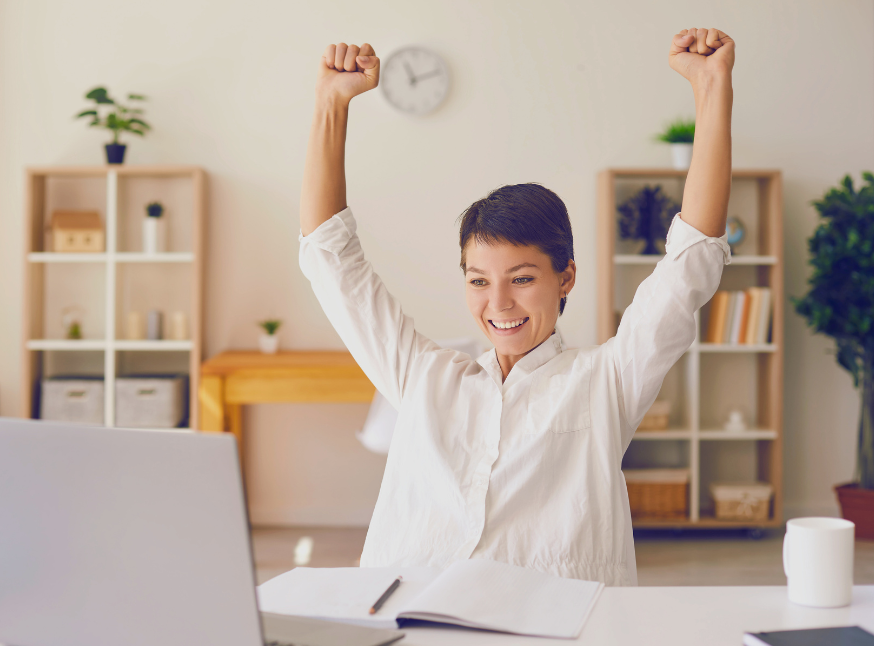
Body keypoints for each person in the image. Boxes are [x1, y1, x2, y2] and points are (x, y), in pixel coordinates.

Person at [299, 29, 734, 586]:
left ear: (565, 278)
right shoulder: (423, 377)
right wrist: (330, 104)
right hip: (410, 633)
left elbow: (691, 261)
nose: (498, 303)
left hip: (556, 645)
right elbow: (329, 260)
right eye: (479, 280)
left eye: (522, 278)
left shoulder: (606, 380)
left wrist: (712, 86)